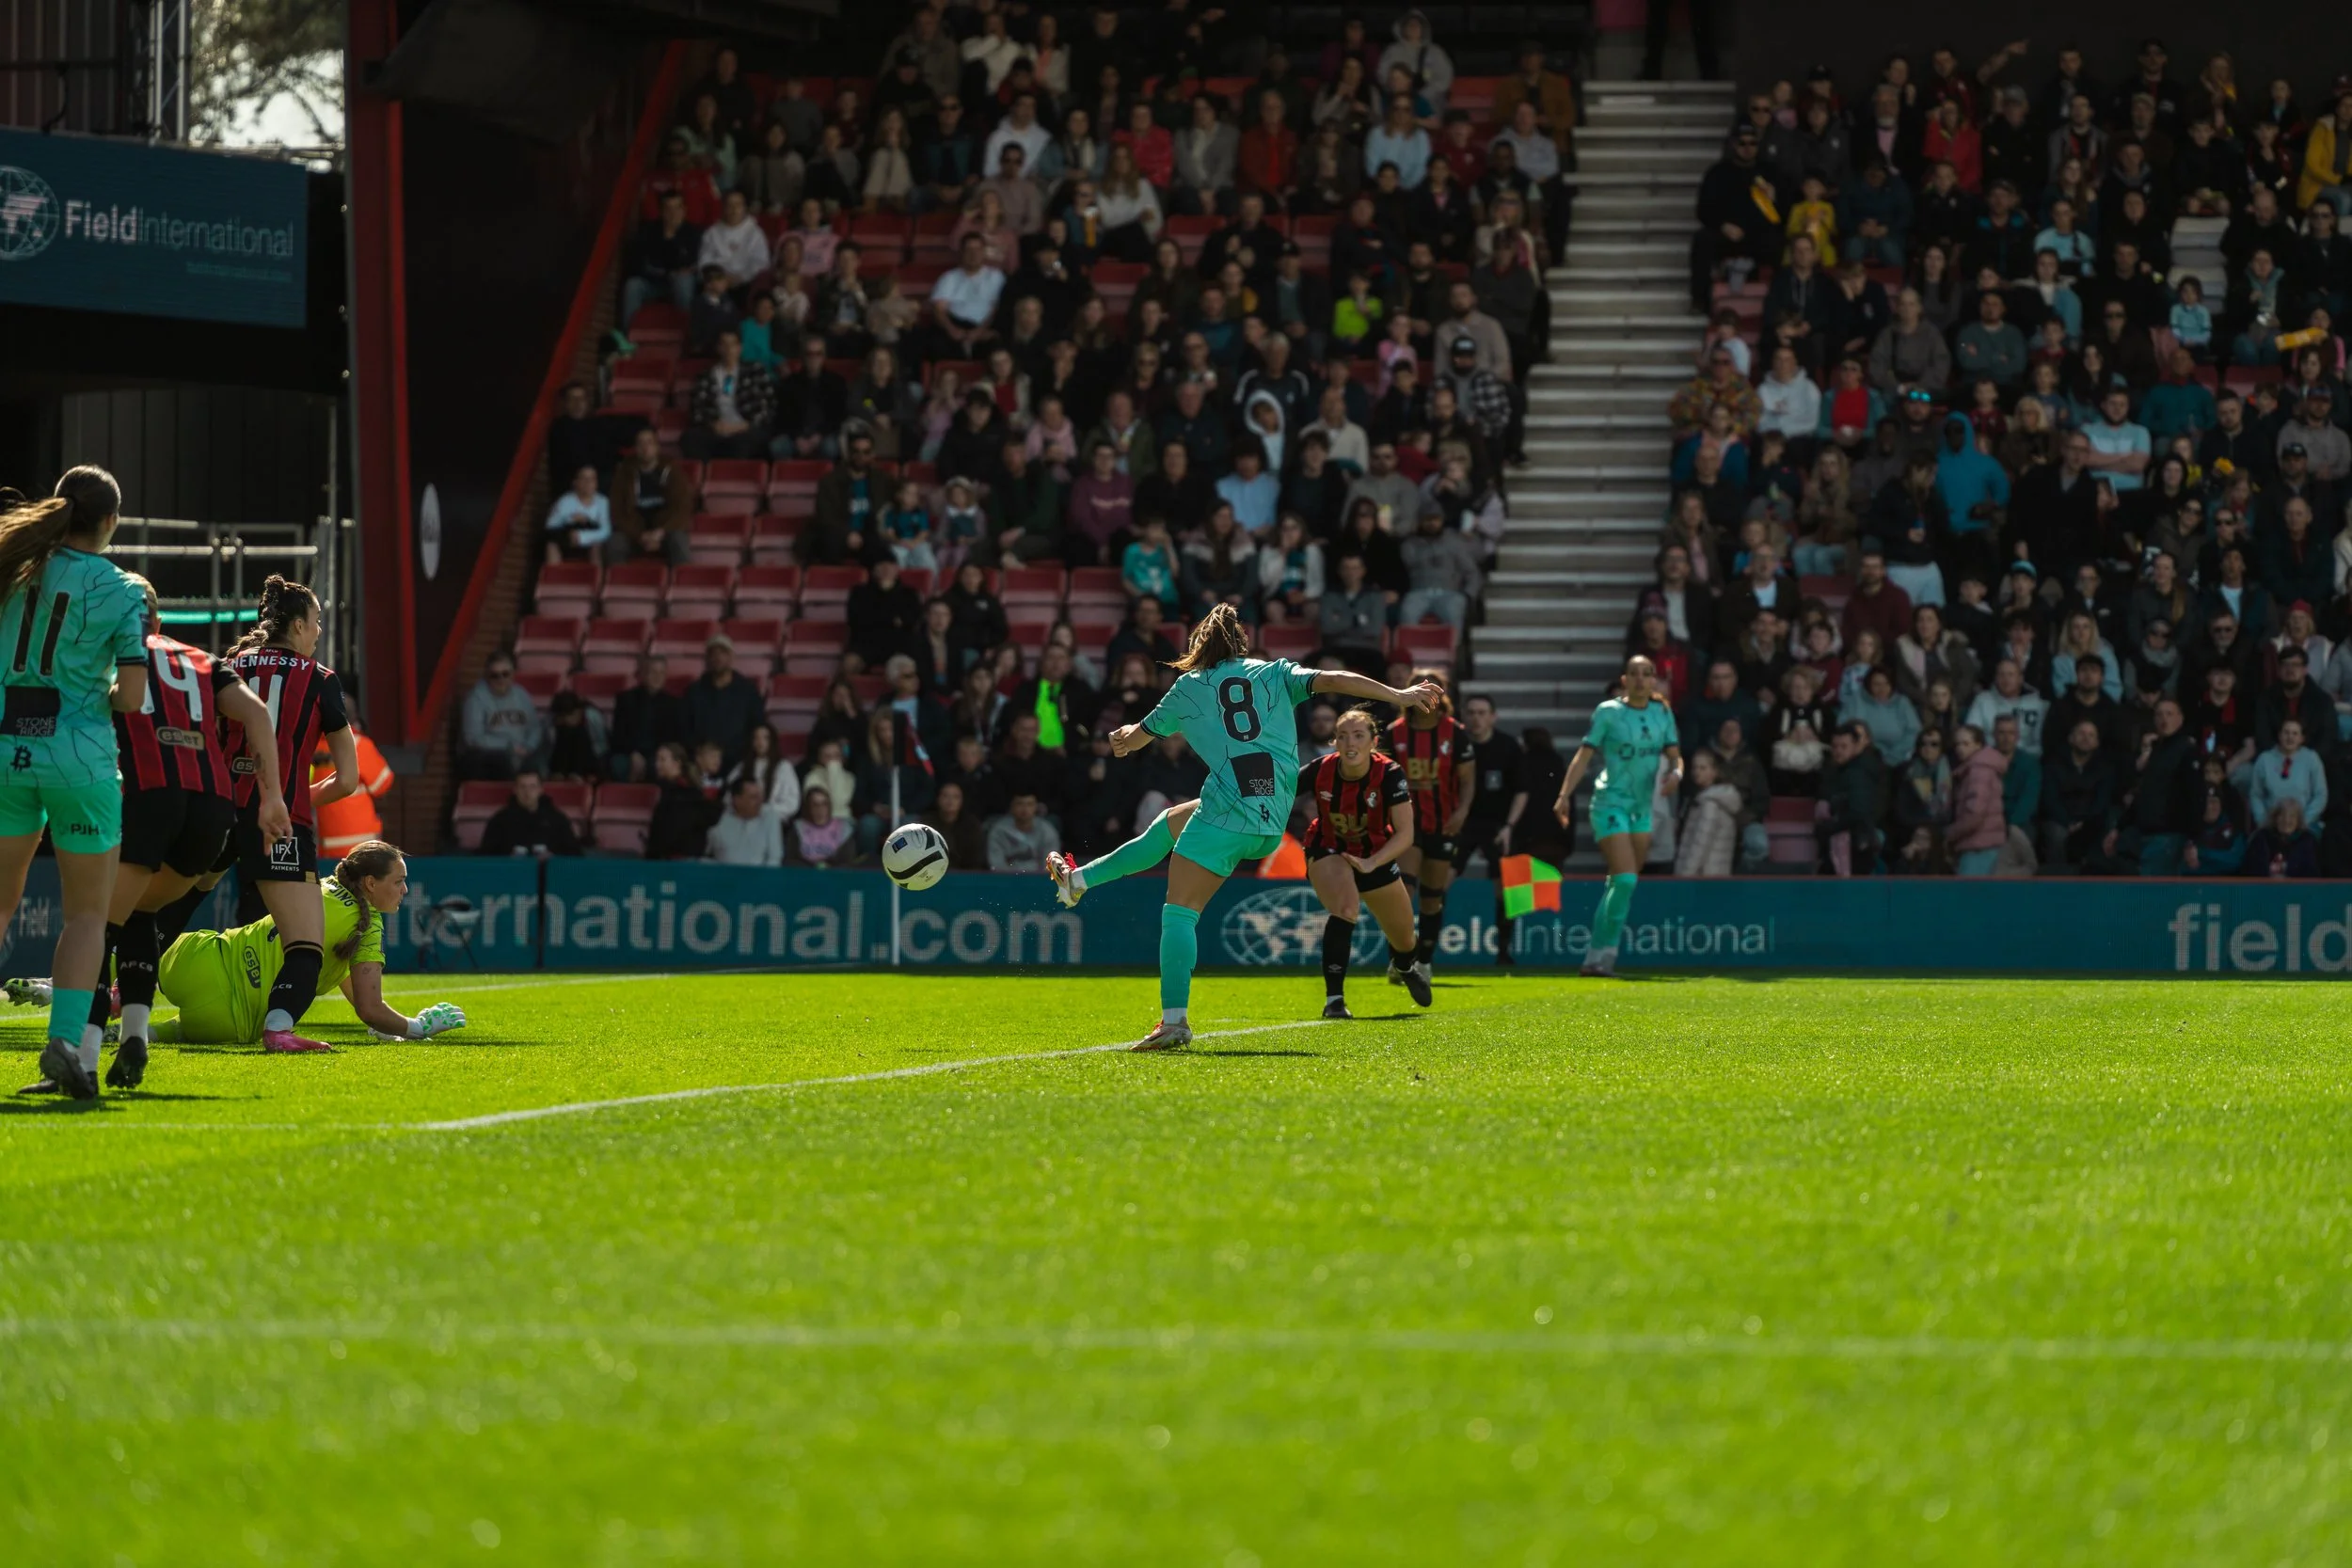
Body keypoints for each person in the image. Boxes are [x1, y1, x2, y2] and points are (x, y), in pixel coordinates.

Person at [1043, 605, 1441, 1049]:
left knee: (1178, 913)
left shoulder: (1188, 687)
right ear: (1241, 644)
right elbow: (1335, 680)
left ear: (1199, 647)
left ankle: (1174, 1021)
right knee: (1167, 824)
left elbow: (1131, 742)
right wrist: (1400, 696)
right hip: (1269, 816)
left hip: (1229, 817)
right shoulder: (1274, 672)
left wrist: (1121, 737)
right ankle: (1078, 881)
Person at [91, 571, 289, 1088]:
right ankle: (134, 1036)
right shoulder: (202, 660)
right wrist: (271, 796)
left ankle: (81, 1056)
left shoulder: (106, 651)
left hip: (148, 794)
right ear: (160, 618)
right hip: (212, 809)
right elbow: (257, 713)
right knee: (143, 909)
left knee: (94, 925)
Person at [156, 842, 466, 1046]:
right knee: (196, 1025)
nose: (406, 890)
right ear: (371, 883)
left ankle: (124, 1001)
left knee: (136, 957)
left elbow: (347, 980)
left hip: (192, 960)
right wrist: (418, 1026)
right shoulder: (367, 923)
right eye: (399, 881)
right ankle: (152, 1029)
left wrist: (386, 1026)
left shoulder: (321, 885)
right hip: (227, 1019)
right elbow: (370, 1008)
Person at [1553, 657, 1681, 977]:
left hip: (1642, 809)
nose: (1640, 679)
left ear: (1654, 680)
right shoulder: (1608, 712)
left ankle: (1600, 955)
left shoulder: (1662, 713)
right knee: (1624, 879)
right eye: (1634, 674)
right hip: (1610, 803)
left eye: (1647, 674)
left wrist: (1677, 773)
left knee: (1624, 882)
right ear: (1625, 679)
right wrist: (1564, 795)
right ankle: (1599, 957)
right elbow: (1584, 756)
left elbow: (1676, 758)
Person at [1302, 705, 1431, 1018]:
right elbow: (1277, 795)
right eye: (1342, 736)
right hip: (1329, 849)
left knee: (1405, 940)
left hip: (1375, 853)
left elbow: (1405, 834)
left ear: (1373, 742)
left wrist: (1374, 862)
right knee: (1346, 910)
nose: (1350, 743)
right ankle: (1334, 1000)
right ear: (1334, 742)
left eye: (1358, 736)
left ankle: (1403, 966)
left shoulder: (1389, 773)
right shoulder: (1319, 769)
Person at [1387, 673, 1475, 977]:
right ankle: (1400, 958)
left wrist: (1462, 811)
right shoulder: (1394, 733)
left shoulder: (1455, 733)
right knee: (1404, 891)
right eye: (1420, 689)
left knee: (1432, 898)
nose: (1427, 695)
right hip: (1406, 825)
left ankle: (1423, 961)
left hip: (1443, 823)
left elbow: (1467, 779)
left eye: (1434, 690)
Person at [459, 652, 544, 780]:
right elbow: (473, 738)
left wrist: (528, 747)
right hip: (493, 755)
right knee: (497, 760)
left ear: (513, 674)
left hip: (523, 751)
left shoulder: (521, 694)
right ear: (487, 676)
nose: (501, 680)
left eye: (505, 674)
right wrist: (509, 747)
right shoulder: (476, 698)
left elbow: (534, 727)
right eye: (495, 676)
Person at [481, 768, 580, 858]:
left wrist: (554, 858)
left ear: (541, 789)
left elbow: (575, 854)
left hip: (549, 875)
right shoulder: (499, 821)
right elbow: (485, 856)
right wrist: (508, 857)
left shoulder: (557, 819)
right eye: (522, 787)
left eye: (532, 787)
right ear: (515, 790)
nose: (527, 792)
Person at [706, 775, 784, 866]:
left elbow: (774, 858)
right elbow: (706, 854)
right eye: (753, 797)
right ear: (737, 800)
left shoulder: (770, 817)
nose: (760, 802)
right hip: (724, 877)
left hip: (760, 877)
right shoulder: (718, 819)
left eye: (760, 796)